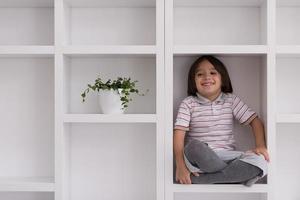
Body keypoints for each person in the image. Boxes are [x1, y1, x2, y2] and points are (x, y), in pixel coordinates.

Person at [174, 55, 269, 186]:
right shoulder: (189, 103)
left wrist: (260, 146)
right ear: (193, 81)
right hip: (199, 159)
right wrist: (180, 166)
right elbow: (178, 136)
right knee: (193, 146)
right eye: (200, 74)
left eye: (213, 73)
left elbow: (255, 122)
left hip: (228, 157)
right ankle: (236, 177)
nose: (207, 77)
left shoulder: (231, 100)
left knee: (260, 161)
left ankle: (205, 179)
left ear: (222, 79)